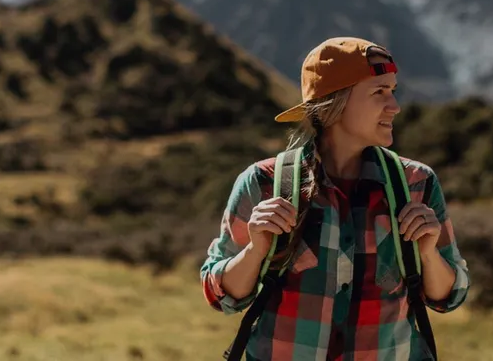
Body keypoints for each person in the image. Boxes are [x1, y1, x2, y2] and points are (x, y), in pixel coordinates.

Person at [201, 36, 470, 360]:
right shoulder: (264, 182)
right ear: (335, 103)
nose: (395, 106)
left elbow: (449, 296)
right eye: (379, 92)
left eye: (393, 91)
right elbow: (221, 296)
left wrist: (429, 255)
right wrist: (255, 251)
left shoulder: (417, 185)